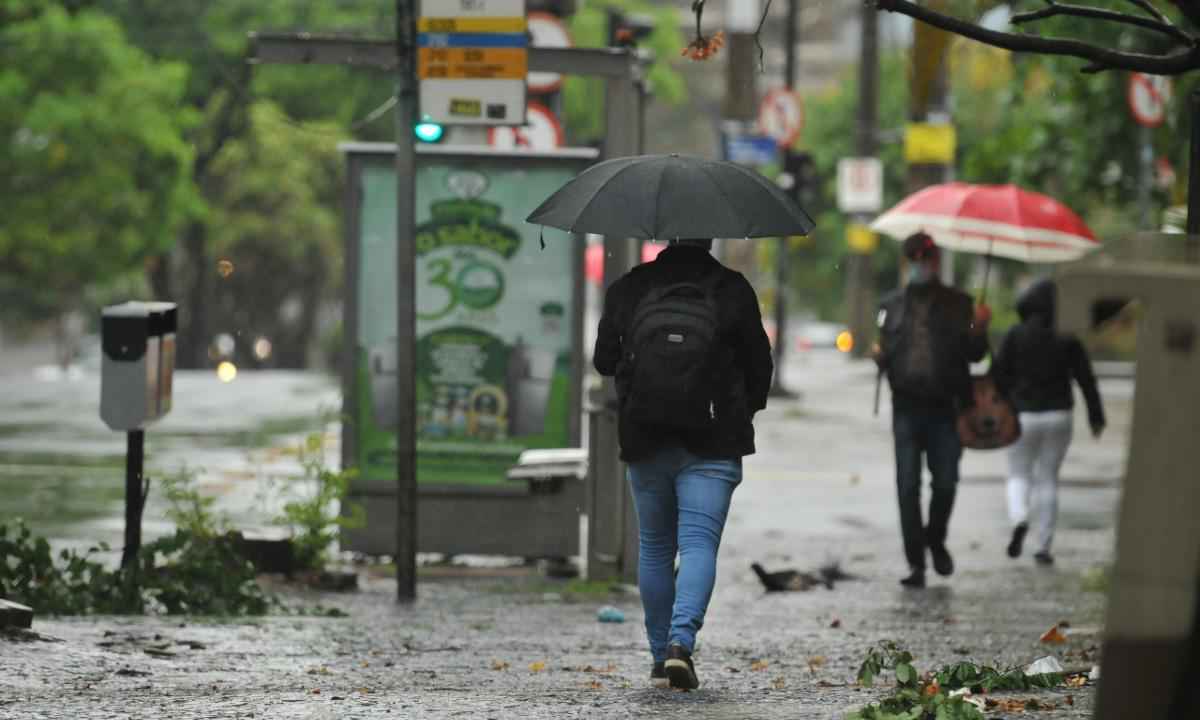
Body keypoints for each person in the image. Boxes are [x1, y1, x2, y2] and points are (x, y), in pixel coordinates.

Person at [593, 237, 773, 690]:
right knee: (697, 545)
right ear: (710, 238)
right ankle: (680, 645)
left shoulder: (631, 287)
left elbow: (603, 360)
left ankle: (658, 656)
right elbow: (760, 365)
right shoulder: (732, 290)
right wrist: (738, 411)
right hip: (713, 439)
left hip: (646, 436)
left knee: (655, 547)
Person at [875, 232, 990, 589]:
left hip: (947, 409)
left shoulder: (960, 304)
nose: (920, 265)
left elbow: (975, 355)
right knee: (907, 486)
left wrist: (980, 328)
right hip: (906, 409)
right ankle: (916, 563)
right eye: (914, 259)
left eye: (925, 259)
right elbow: (885, 351)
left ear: (936, 262)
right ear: (906, 262)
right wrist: (879, 357)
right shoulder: (891, 305)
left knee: (946, 482)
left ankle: (935, 539)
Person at [993, 278, 1105, 566]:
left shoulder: (1015, 334)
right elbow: (1086, 379)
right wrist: (1096, 416)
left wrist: (1001, 405)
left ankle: (1019, 518)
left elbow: (998, 376)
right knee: (1048, 479)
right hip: (1059, 416)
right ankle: (1043, 545)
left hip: (1023, 416)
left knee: (1018, 474)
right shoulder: (1067, 337)